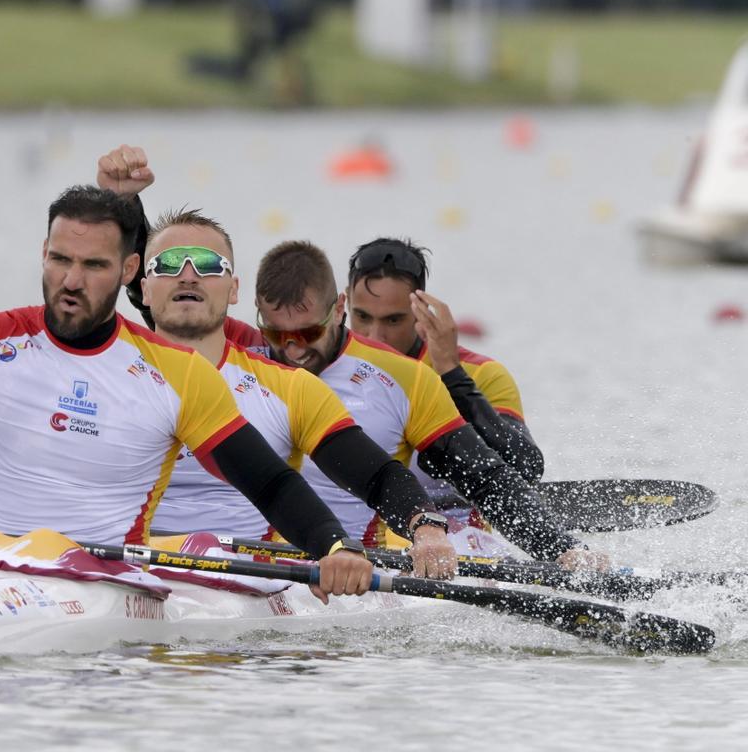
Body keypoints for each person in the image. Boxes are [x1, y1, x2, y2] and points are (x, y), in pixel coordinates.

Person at [0, 170, 374, 602]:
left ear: (129, 271)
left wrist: (334, 547)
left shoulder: (176, 375)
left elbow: (269, 483)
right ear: (43, 254)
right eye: (59, 259)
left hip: (108, 587)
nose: (71, 281)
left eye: (94, 265)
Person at [132, 206, 458, 579]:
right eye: (168, 265)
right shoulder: (106, 375)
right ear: (143, 288)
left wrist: (426, 527)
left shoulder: (290, 388)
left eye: (208, 265)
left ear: (234, 289)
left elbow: (378, 477)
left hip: (249, 579)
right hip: (123, 567)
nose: (187, 276)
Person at [238, 240, 607, 569]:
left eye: (308, 333)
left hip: (405, 543)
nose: (293, 350)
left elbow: (499, 475)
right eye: (276, 335)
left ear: (336, 310)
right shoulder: (243, 355)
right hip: (279, 553)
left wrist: (562, 548)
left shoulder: (423, 376)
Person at [345, 238, 543, 486]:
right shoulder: (317, 369)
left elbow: (526, 470)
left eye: (393, 320)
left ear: (421, 311)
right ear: (345, 305)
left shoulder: (480, 375)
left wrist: (452, 376)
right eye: (362, 316)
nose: (374, 336)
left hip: (452, 521)